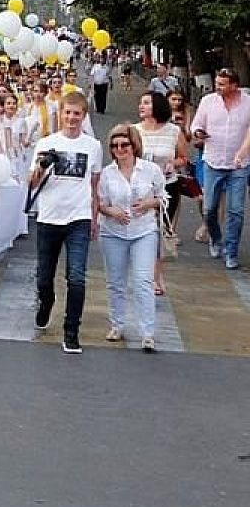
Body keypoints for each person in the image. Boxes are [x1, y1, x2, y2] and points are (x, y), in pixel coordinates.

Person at [28, 91, 103, 354]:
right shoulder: (46, 143)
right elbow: (32, 182)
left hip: (78, 218)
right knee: (44, 276)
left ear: (84, 116)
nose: (71, 118)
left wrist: (95, 218)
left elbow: (95, 186)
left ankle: (72, 331)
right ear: (60, 114)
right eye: (67, 113)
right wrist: (41, 168)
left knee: (77, 276)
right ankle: (46, 302)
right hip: (49, 217)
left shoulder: (93, 146)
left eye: (77, 114)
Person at [97, 124, 165, 353]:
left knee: (143, 281)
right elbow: (100, 203)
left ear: (134, 145)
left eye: (124, 144)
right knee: (116, 282)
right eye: (115, 145)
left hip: (143, 230)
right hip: (113, 231)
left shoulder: (150, 170)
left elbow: (163, 196)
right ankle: (117, 324)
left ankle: (147, 333)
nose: (120, 149)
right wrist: (110, 211)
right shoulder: (106, 173)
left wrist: (149, 203)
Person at [195, 68, 250, 271]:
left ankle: (231, 251)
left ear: (234, 86)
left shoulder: (247, 103)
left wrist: (242, 153)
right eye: (217, 83)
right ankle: (216, 238)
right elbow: (196, 126)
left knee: (236, 211)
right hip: (213, 162)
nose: (217, 87)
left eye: (222, 84)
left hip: (239, 166)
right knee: (209, 209)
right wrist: (199, 133)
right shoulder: (208, 101)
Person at [134, 92, 187, 295]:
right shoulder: (134, 130)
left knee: (158, 232)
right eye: (141, 103)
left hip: (167, 187)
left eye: (146, 103)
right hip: (140, 188)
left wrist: (173, 163)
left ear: (157, 106)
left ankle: (156, 276)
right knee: (141, 230)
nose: (142, 106)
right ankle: (142, 272)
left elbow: (183, 157)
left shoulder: (174, 131)